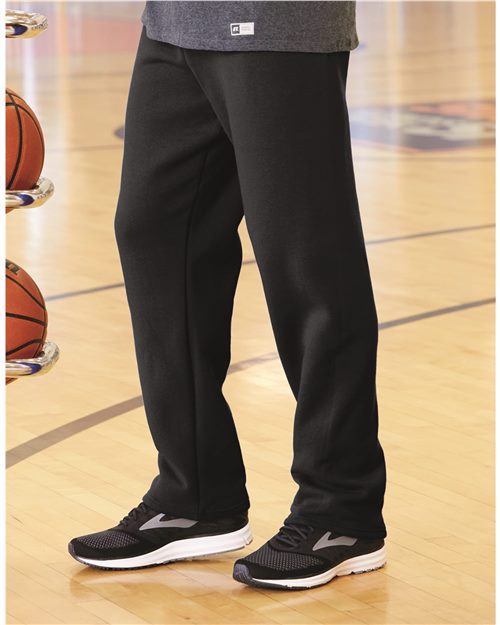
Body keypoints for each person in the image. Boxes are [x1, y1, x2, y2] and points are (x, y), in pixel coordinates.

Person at [68, 0, 388, 590]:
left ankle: (341, 511)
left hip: (278, 25)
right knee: (154, 231)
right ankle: (195, 495)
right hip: (174, 23)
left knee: (305, 258)